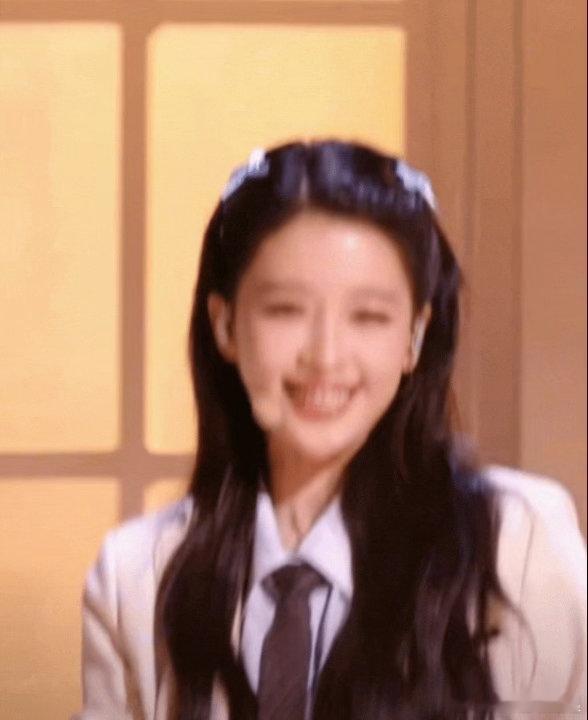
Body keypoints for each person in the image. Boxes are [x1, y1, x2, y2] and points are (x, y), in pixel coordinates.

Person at [74, 140, 586, 720]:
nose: (326, 356)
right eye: (285, 310)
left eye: (368, 316)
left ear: (415, 336)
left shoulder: (515, 544)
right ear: (225, 326)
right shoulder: (135, 577)